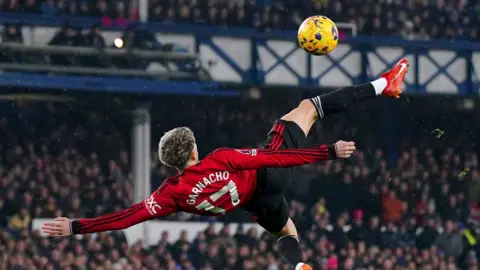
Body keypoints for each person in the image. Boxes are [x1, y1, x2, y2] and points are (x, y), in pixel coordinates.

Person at [42, 59, 409, 270]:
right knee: (307, 108)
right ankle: (384, 84)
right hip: (269, 175)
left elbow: (129, 216)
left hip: (254, 204)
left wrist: (76, 227)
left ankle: (298, 265)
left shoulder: (170, 194)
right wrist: (326, 152)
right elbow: (274, 157)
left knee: (286, 232)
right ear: (193, 152)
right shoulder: (219, 158)